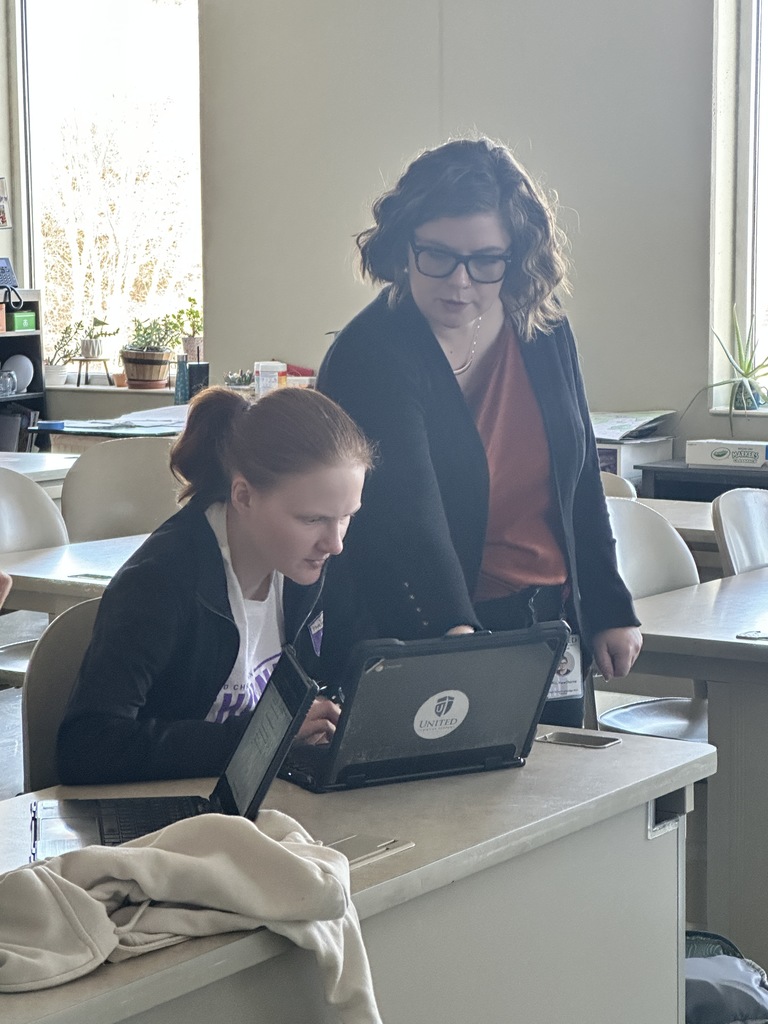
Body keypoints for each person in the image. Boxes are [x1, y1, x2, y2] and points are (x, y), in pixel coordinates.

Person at [317, 136, 642, 727]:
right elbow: (404, 518)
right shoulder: (372, 353)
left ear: (514, 258)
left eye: (486, 260)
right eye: (437, 255)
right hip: (429, 632)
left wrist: (608, 603)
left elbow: (579, 476)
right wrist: (456, 641)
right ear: (402, 246)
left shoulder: (542, 327)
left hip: (550, 626)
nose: (460, 282)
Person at [57, 386, 374, 785]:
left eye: (346, 517)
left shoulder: (305, 565)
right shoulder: (158, 583)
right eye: (312, 520)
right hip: (164, 823)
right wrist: (262, 737)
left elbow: (351, 666)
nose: (335, 542)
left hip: (255, 806)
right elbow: (85, 747)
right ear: (243, 496)